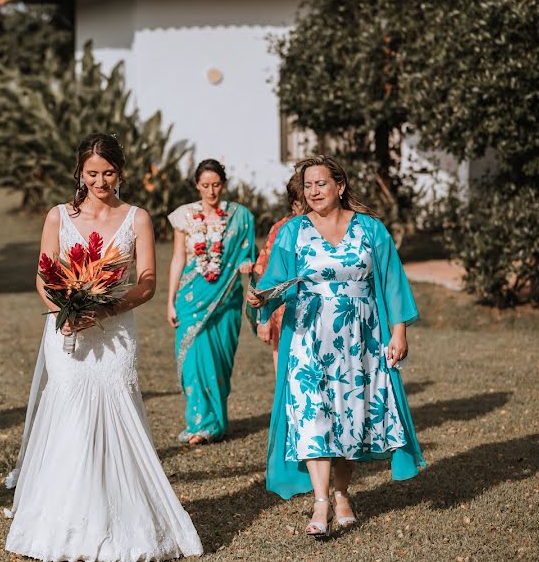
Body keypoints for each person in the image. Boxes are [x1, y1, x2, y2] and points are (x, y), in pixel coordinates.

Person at [5, 133, 203, 561]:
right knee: (72, 417)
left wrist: (110, 306)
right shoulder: (58, 217)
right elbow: (44, 275)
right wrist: (67, 310)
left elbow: (147, 281)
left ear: (121, 172)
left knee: (119, 415)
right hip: (68, 334)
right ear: (79, 172)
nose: (100, 181)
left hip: (115, 334)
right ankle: (65, 525)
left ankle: (122, 523)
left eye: (109, 172)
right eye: (92, 173)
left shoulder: (139, 218)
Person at [248, 155, 424, 539]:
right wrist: (261, 297)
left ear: (340, 186)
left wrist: (399, 332)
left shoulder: (371, 230)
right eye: (307, 186)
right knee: (312, 415)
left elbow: (392, 280)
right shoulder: (293, 231)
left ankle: (342, 494)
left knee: (349, 416)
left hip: (360, 339)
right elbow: (274, 280)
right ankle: (321, 502)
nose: (313, 192)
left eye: (321, 184)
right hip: (308, 337)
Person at [166, 159, 255, 444]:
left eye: (216, 185)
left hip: (226, 299)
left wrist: (246, 265)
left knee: (219, 362)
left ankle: (217, 421)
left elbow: (248, 255)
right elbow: (179, 257)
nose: (211, 191)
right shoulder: (184, 216)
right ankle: (200, 424)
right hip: (190, 299)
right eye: (205, 185)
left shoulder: (240, 217)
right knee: (193, 361)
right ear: (197, 186)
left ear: (223, 184)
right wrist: (169, 300)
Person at [252, 173, 305, 372]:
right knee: (287, 376)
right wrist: (263, 320)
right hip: (285, 315)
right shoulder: (281, 230)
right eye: (303, 204)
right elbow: (264, 275)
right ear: (294, 205)